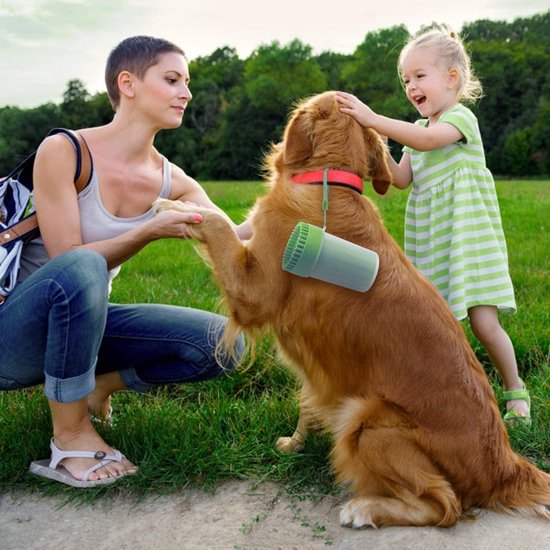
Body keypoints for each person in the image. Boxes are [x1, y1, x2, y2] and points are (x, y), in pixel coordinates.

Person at [0, 35, 248, 487]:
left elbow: (234, 234)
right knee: (82, 267)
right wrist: (146, 231)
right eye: (172, 79)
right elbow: (68, 259)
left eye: (187, 82)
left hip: (82, 332)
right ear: (128, 83)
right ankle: (69, 436)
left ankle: (98, 387)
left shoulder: (171, 179)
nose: (187, 93)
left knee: (225, 344)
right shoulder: (65, 150)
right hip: (11, 337)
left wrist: (298, 205)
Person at [336, 26, 531, 426]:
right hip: (434, 240)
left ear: (452, 78)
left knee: (483, 322)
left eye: (419, 76)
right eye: (406, 80)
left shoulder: (460, 119)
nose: (411, 86)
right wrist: (371, 140)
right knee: (434, 324)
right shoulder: (415, 133)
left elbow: (429, 144)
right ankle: (447, 394)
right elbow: (402, 179)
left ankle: (515, 391)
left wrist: (376, 118)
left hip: (467, 240)